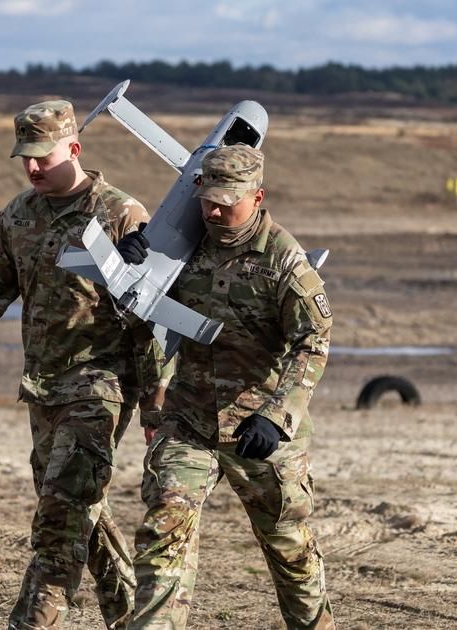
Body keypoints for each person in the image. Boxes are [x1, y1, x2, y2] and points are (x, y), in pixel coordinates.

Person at [0, 100, 163, 629]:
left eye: (42, 157)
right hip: (43, 390)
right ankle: (136, 620)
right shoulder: (18, 217)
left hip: (99, 388)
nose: (32, 168)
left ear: (73, 149)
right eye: (24, 158)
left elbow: (152, 321)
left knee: (59, 523)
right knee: (82, 515)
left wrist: (155, 402)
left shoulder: (121, 215)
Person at [119, 145, 335, 629]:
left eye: (227, 203)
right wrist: (134, 266)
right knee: (163, 531)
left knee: (290, 549)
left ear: (257, 197)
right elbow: (136, 318)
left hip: (261, 432)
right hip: (189, 422)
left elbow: (313, 342)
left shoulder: (284, 260)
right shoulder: (180, 245)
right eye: (207, 201)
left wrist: (279, 416)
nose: (214, 212)